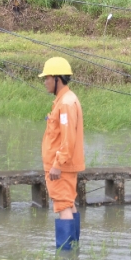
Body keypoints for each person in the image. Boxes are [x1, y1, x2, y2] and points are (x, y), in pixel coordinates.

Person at [39, 57, 85, 249]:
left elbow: (68, 139)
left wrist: (57, 165)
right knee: (69, 203)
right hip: (66, 165)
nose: (45, 82)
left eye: (47, 78)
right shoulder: (65, 100)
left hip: (61, 167)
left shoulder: (65, 103)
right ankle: (72, 249)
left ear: (57, 79)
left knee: (63, 206)